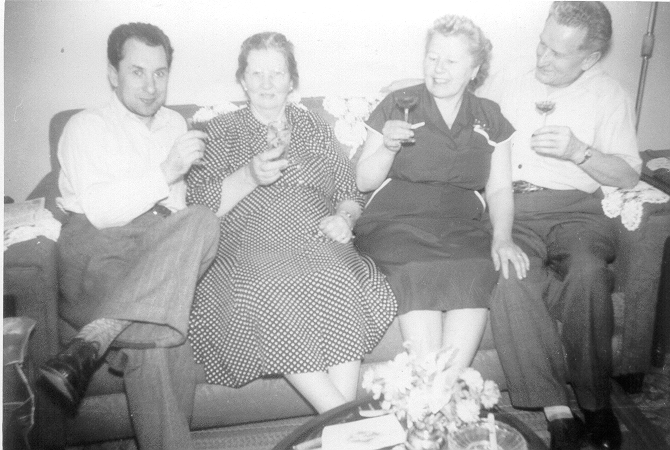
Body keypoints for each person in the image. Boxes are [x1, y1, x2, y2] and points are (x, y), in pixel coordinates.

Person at [186, 32, 396, 414]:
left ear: (291, 80)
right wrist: (249, 176)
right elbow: (198, 204)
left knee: (339, 275)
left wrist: (344, 217)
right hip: (250, 240)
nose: (267, 84)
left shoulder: (313, 126)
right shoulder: (220, 131)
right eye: (257, 73)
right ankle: (345, 420)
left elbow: (349, 189)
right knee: (268, 286)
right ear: (243, 80)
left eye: (277, 73)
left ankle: (337, 424)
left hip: (318, 235)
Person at [39, 23, 219, 450]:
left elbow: (177, 211)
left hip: (155, 252)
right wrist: (167, 170)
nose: (151, 86)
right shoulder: (86, 126)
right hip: (100, 248)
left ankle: (96, 336)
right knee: (162, 330)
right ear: (112, 73)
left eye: (160, 73)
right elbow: (102, 213)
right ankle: (119, 321)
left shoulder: (175, 123)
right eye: (137, 72)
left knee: (202, 221)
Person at [484, 3, 642, 449]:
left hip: (577, 212)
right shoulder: (510, 79)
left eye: (557, 53)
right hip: (513, 206)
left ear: (589, 59)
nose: (542, 58)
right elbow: (462, 102)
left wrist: (579, 152)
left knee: (589, 273)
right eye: (542, 44)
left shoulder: (608, 95)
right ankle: (556, 410)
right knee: (509, 276)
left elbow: (628, 174)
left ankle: (595, 403)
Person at [354, 15, 528, 371]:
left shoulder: (489, 116)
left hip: (461, 226)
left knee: (478, 268)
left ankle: (442, 391)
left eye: (450, 61)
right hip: (396, 222)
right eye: (432, 58)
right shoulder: (399, 103)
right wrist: (387, 147)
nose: (437, 69)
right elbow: (364, 182)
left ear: (474, 69)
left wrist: (503, 237)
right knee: (416, 268)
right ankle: (432, 390)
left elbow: (498, 189)